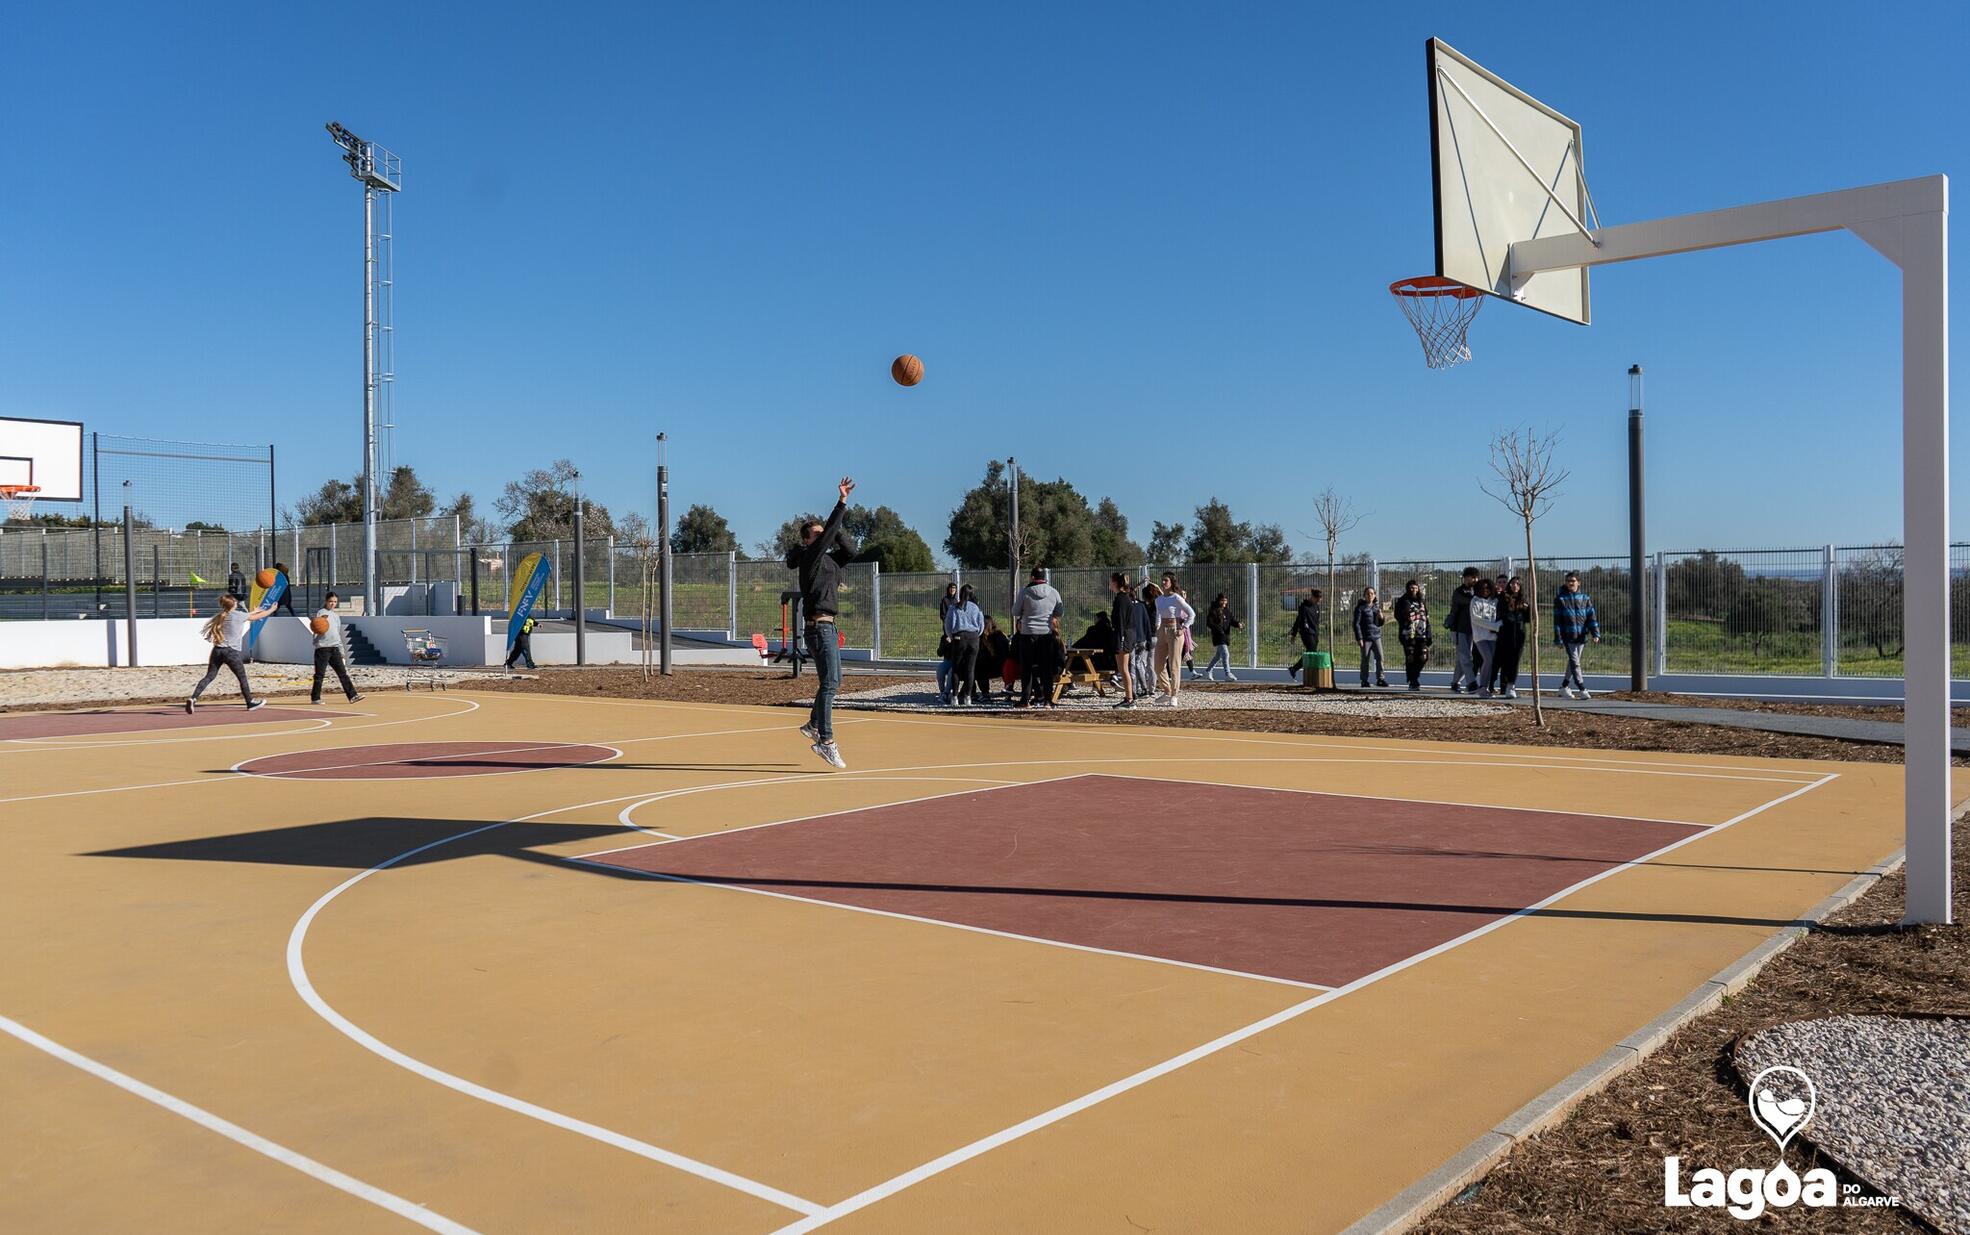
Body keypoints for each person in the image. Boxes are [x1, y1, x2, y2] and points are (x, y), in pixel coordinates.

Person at [786, 476, 859, 767]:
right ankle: (826, 741)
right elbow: (827, 535)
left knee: (834, 681)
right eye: (816, 534)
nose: (822, 537)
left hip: (828, 626)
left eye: (822, 533)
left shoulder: (830, 561)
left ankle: (813, 724)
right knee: (829, 683)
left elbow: (851, 551)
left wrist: (835, 531)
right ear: (807, 541)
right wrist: (841, 502)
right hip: (818, 628)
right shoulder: (810, 558)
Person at [185, 593, 274, 712]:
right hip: (231, 652)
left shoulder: (221, 615)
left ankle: (193, 698)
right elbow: (257, 617)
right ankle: (250, 703)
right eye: (235, 602)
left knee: (210, 676)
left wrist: (254, 611)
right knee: (242, 678)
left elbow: (248, 615)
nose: (237, 603)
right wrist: (272, 609)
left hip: (217, 650)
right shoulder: (238, 615)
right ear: (233, 604)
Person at [1011, 566, 1063, 707]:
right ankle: (1048, 699)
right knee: (1046, 668)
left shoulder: (1025, 592)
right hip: (1046, 634)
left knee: (1026, 668)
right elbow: (1060, 611)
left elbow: (1015, 611)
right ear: (1044, 577)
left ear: (1032, 577)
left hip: (1028, 633)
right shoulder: (1053, 592)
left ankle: (1025, 699)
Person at [309, 591, 365, 705]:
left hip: (334, 648)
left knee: (342, 673)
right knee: (320, 675)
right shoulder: (321, 613)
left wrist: (342, 651)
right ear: (326, 601)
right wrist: (316, 641)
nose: (333, 604)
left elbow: (337, 634)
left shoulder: (336, 616)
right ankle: (315, 698)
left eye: (335, 602)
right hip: (323, 649)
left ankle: (353, 696)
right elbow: (317, 628)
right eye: (331, 601)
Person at [1554, 570, 1602, 699]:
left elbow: (1591, 617)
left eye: (1573, 581)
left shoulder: (1585, 598)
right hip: (1568, 636)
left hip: (1581, 636)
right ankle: (1582, 689)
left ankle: (1563, 687)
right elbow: (1557, 621)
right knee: (1575, 663)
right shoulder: (1560, 599)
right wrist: (1558, 638)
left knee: (1573, 663)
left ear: (1578, 583)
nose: (1570, 583)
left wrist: (1595, 633)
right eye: (1568, 581)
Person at [1152, 580, 1197, 706]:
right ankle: (1167, 691)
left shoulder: (1177, 598)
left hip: (1175, 630)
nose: (1163, 582)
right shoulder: (1159, 599)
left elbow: (1191, 614)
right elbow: (1158, 615)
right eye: (1162, 580)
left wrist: (1184, 628)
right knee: (1158, 665)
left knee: (1174, 664)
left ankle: (1174, 695)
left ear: (1171, 583)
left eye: (1166, 580)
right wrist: (1157, 626)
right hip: (1162, 631)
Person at [942, 583, 984, 706]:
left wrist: (952, 637)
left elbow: (947, 625)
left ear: (960, 593)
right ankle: (968, 697)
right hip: (973, 638)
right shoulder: (976, 607)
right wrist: (976, 635)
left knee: (956, 668)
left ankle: (954, 697)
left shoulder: (953, 607)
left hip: (959, 637)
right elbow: (981, 625)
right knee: (970, 669)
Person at [1494, 576, 1531, 699]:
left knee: (1515, 661)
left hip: (1519, 634)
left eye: (1517, 584)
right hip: (1505, 634)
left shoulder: (1524, 600)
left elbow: (1528, 619)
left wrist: (1528, 608)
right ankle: (1503, 686)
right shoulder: (1503, 598)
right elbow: (1500, 614)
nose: (1515, 586)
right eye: (1513, 583)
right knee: (1505, 660)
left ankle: (1511, 685)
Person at [1445, 567, 1480, 692]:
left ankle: (1455, 682)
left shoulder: (1478, 591)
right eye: (1470, 577)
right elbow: (1468, 602)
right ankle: (1471, 682)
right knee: (1465, 656)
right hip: (1459, 628)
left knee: (1462, 658)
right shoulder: (1459, 592)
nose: (1473, 580)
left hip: (1474, 628)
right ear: (1464, 578)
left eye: (1475, 577)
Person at [1393, 579, 1432, 691]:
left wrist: (1429, 633)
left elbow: (1426, 617)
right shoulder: (1402, 601)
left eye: (1415, 588)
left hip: (1421, 634)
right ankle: (1413, 681)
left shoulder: (1421, 601)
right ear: (1407, 588)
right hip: (1408, 634)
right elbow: (1397, 615)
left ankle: (1414, 676)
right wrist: (1407, 621)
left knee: (1423, 656)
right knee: (1410, 657)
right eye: (1411, 588)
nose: (1414, 590)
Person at [1107, 573, 1139, 707]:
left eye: (1111, 581)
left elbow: (1120, 621)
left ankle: (1129, 699)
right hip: (1126, 635)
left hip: (1124, 636)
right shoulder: (1124, 598)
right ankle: (1129, 697)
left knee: (1124, 668)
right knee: (1123, 668)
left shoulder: (1121, 599)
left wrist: (1120, 640)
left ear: (1115, 583)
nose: (1109, 584)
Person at [1468, 577, 1501, 698]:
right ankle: (1482, 687)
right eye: (1483, 588)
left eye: (1488, 588)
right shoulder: (1475, 600)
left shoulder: (1495, 601)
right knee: (1488, 659)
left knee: (1491, 662)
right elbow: (1475, 619)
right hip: (1480, 636)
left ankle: (1486, 687)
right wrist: (1494, 626)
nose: (1485, 590)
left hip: (1492, 636)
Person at [1200, 593, 1241, 683]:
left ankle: (1207, 671)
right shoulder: (1213, 610)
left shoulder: (1227, 611)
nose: (1224, 602)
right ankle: (1227, 674)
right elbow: (1209, 623)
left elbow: (1232, 621)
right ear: (1218, 601)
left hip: (1225, 636)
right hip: (1218, 636)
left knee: (1218, 656)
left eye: (1225, 600)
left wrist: (1238, 624)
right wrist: (1218, 629)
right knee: (1225, 654)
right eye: (1222, 600)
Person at [1352, 585, 1388, 688]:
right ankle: (1364, 680)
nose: (1370, 595)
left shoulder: (1376, 607)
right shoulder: (1360, 608)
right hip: (1365, 637)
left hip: (1376, 636)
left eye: (1372, 593)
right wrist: (1359, 638)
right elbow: (1356, 624)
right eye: (1368, 594)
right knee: (1365, 659)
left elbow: (1379, 623)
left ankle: (1380, 679)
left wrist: (1381, 617)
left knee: (1380, 657)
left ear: (1375, 595)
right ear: (1364, 595)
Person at [1285, 587, 1322, 680]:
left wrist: (1317, 631)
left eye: (1319, 600)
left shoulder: (1316, 606)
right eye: (1317, 599)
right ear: (1313, 597)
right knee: (1311, 649)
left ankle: (1296, 669)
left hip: (1315, 632)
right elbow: (1299, 620)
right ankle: (1295, 668)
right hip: (1306, 632)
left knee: (1312, 653)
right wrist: (1294, 634)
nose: (1318, 601)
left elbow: (1316, 621)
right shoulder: (1304, 607)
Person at [976, 615, 1011, 704]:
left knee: (980, 668)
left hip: (999, 665)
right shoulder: (982, 637)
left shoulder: (998, 636)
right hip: (994, 665)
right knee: (979, 666)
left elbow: (1003, 654)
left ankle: (985, 694)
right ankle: (982, 694)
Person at [1133, 583, 1160, 699]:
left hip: (1144, 637)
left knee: (1141, 663)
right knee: (1151, 664)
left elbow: (1132, 595)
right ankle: (1152, 688)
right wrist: (1157, 588)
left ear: (1144, 595)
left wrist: (1138, 585)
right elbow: (1162, 596)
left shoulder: (1142, 606)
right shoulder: (1156, 605)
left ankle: (1142, 687)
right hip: (1154, 636)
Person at [934, 581, 959, 702]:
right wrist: (948, 634)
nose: (952, 590)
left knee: (950, 672)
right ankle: (943, 692)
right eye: (951, 588)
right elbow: (943, 616)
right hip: (948, 629)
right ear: (948, 589)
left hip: (956, 632)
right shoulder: (945, 600)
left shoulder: (957, 602)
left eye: (954, 588)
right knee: (941, 670)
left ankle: (947, 693)